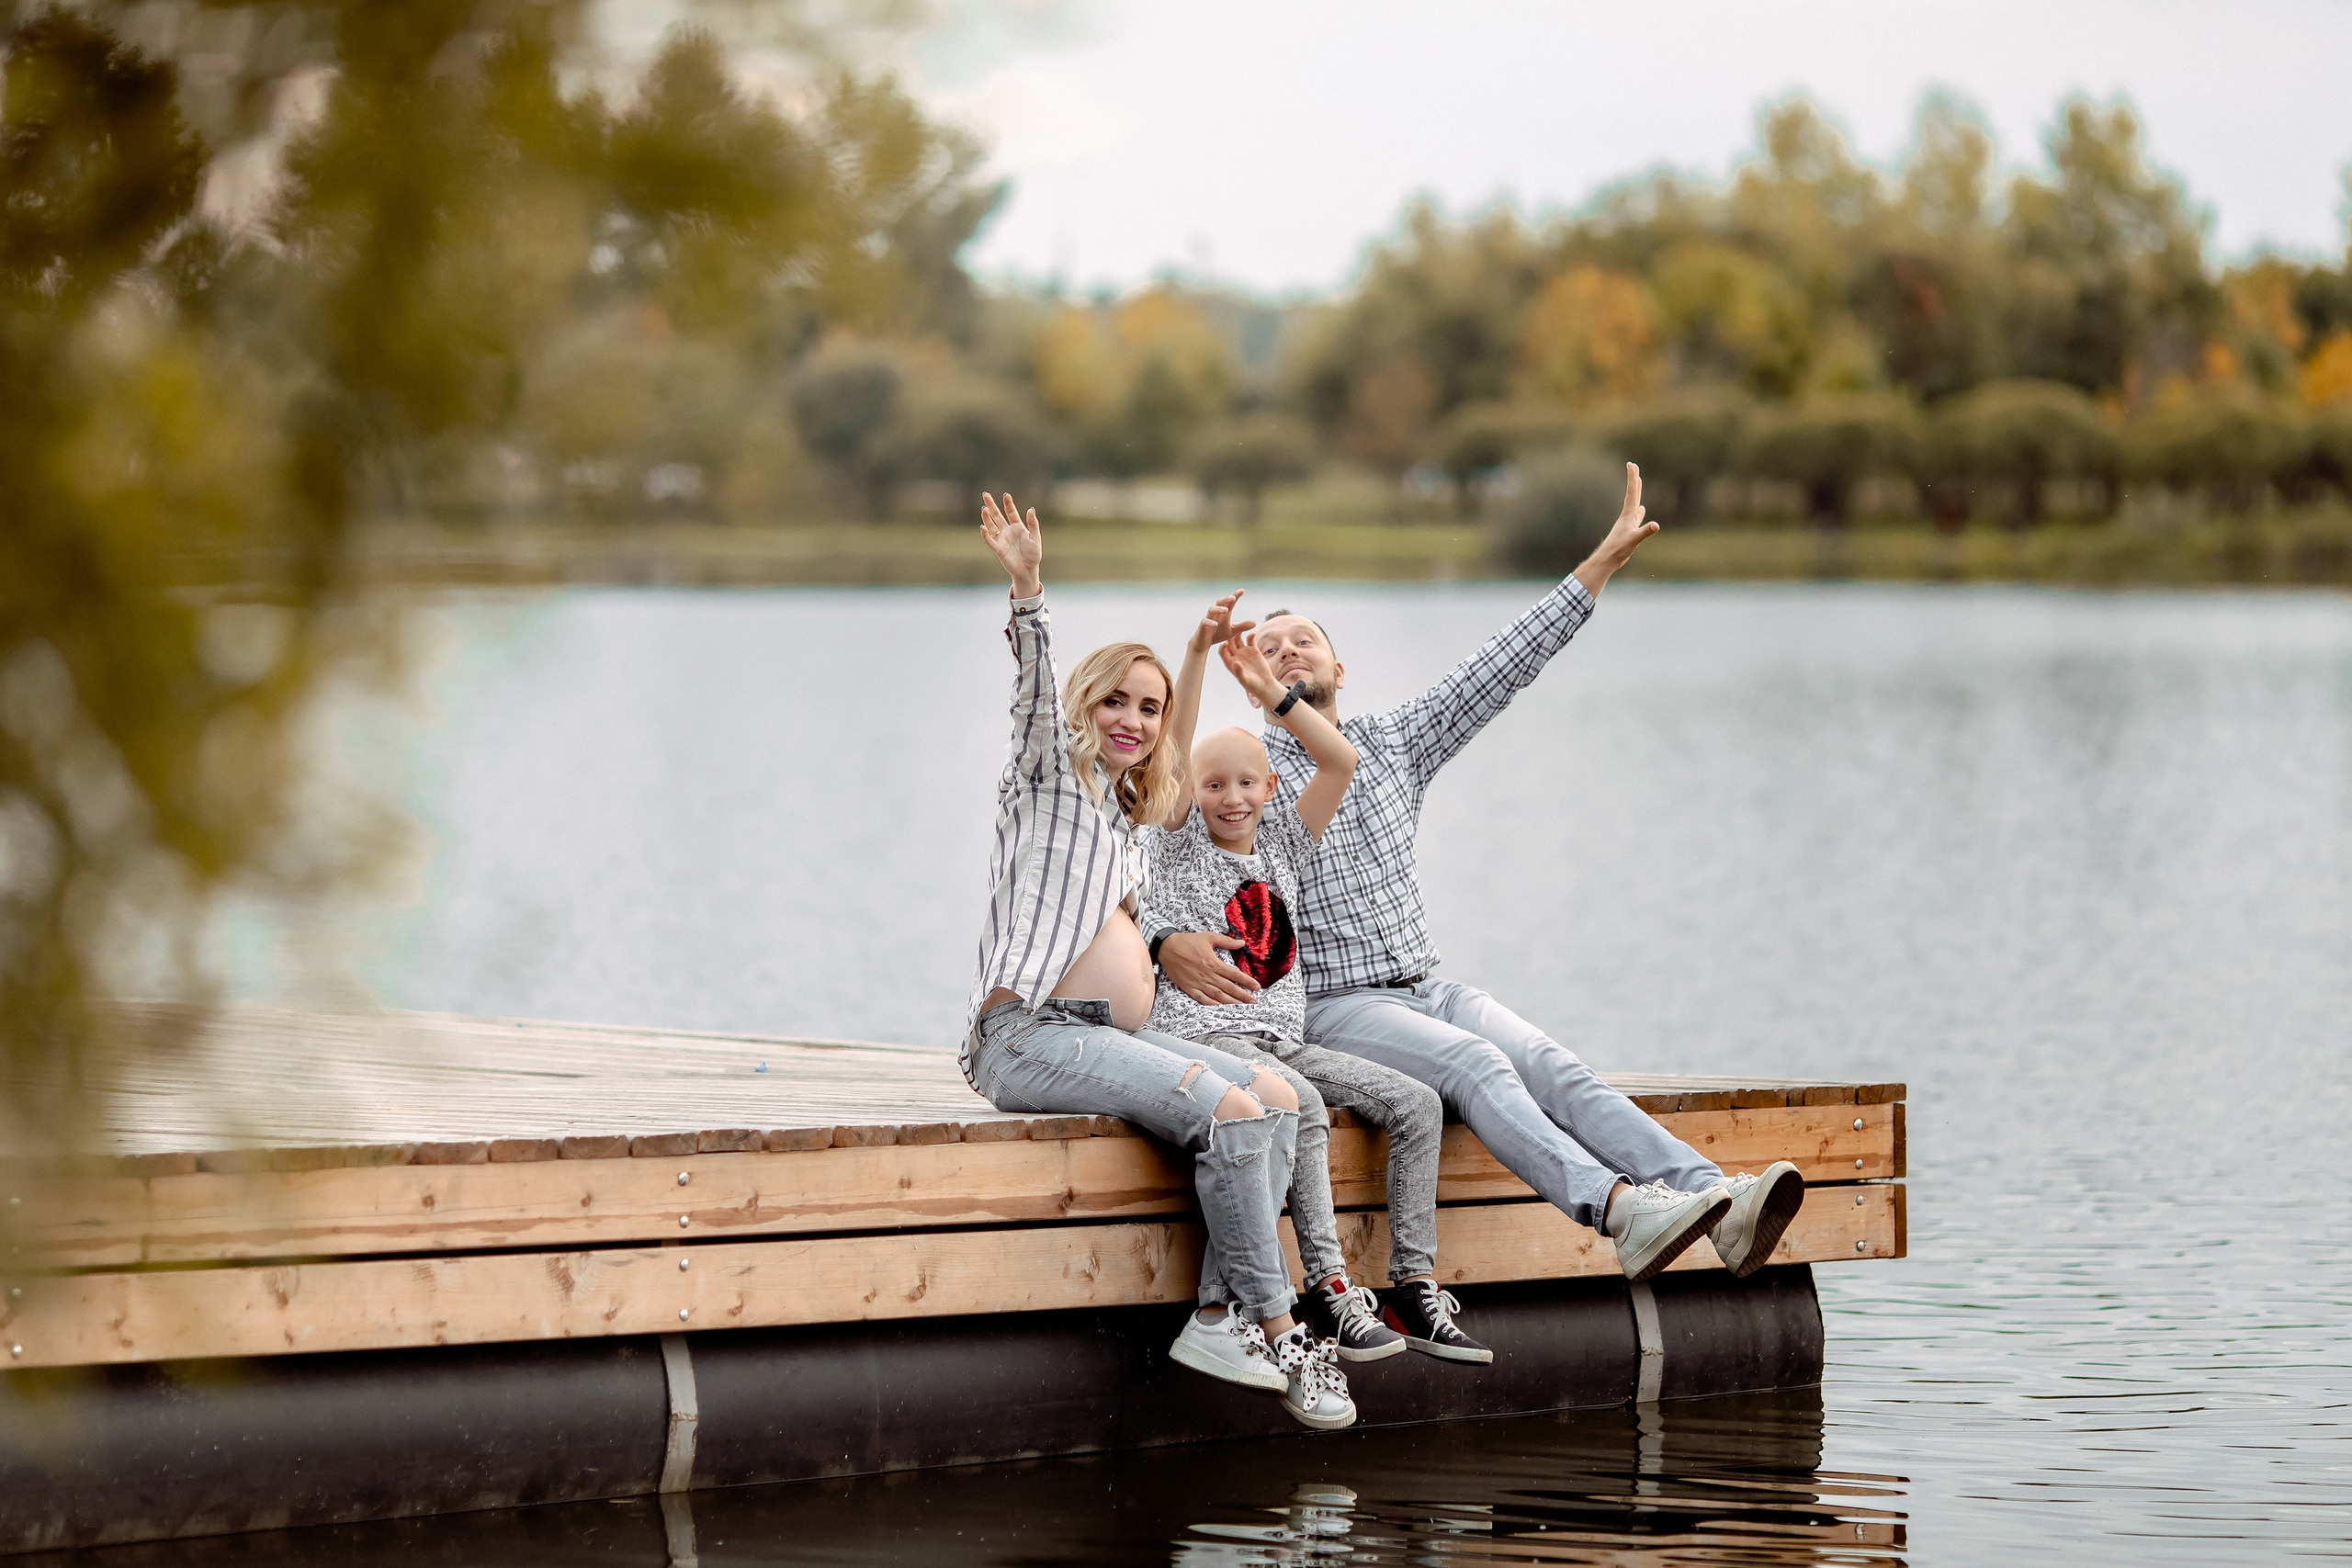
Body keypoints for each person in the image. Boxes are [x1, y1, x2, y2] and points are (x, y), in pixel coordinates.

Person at [1155, 465, 1805, 1285]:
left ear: (1338, 670)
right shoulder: (1252, 782)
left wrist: (1597, 565)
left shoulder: (1396, 742)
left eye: (1304, 643)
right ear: (1256, 688)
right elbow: (1172, 785)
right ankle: (1616, 1209)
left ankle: (1714, 1199)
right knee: (1478, 1066)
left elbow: (1498, 667)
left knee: (1551, 1064)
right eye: (1271, 648)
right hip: (1332, 1005)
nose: (1286, 652)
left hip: (1429, 986)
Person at [963, 491, 1356, 1431]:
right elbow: (1031, 695)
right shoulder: (1048, 784)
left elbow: (1176, 764)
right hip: (1026, 1036)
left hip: (1101, 1037)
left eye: (1148, 708)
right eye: (1116, 702)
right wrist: (1028, 590)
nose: (1133, 720)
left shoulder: (1125, 821)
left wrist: (1194, 657)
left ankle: (1216, 1313)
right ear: (1084, 708)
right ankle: (1276, 1323)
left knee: (1274, 1099)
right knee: (1229, 1108)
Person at [1139, 623, 1488, 1365]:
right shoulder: (1178, 846)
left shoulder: (1287, 845)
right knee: (1298, 1100)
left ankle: (1413, 1283)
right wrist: (1199, 656)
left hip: (1287, 1039)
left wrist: (1274, 693)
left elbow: (1341, 756)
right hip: (1211, 1040)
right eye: (1212, 784)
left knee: (1418, 1103)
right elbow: (1174, 747)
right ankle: (1329, 1286)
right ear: (1189, 792)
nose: (1230, 798)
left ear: (1272, 786)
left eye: (1245, 782)